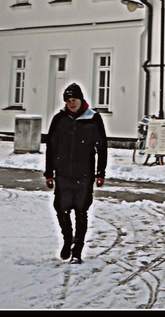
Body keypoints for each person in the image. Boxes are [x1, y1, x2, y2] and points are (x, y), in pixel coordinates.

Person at [44, 83, 107, 263]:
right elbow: (51, 147)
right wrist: (49, 173)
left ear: (81, 100)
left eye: (74, 100)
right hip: (62, 173)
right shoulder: (59, 119)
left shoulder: (93, 119)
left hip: (84, 175)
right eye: (68, 100)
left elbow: (102, 147)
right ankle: (67, 239)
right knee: (61, 209)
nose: (71, 103)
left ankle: (77, 250)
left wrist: (100, 173)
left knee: (81, 211)